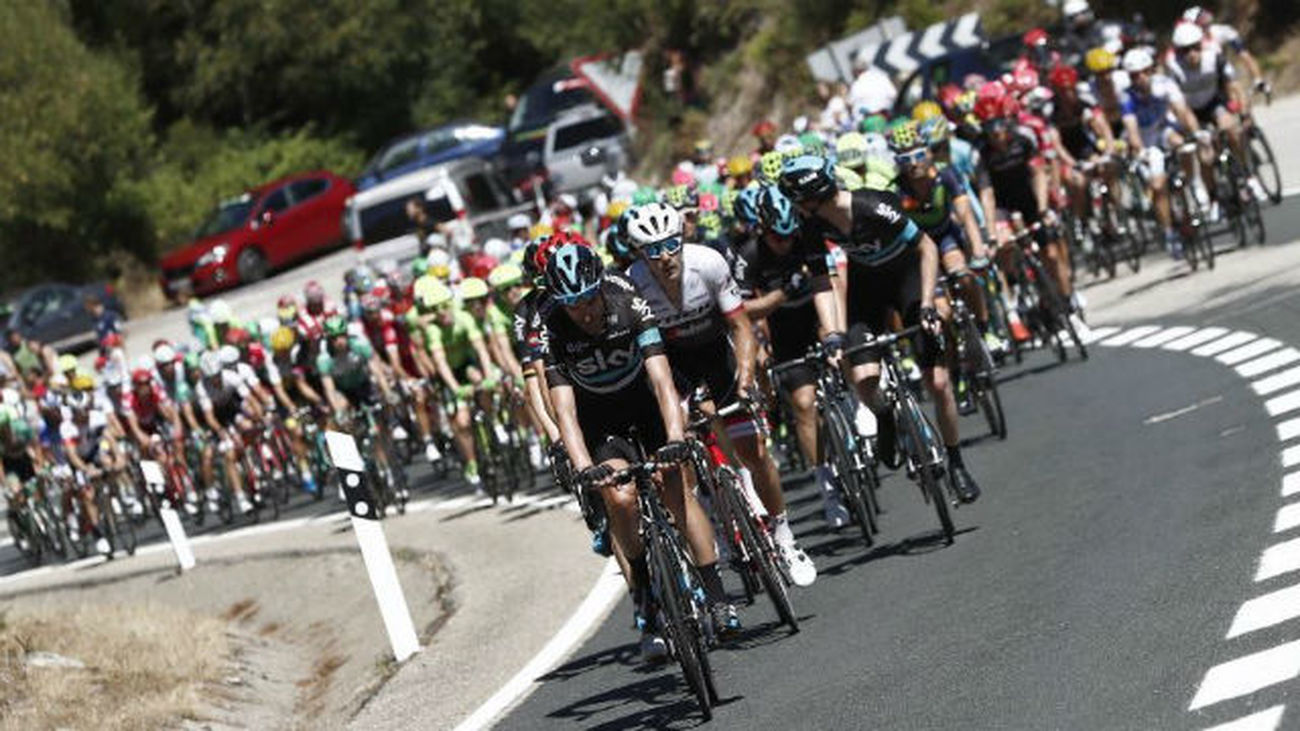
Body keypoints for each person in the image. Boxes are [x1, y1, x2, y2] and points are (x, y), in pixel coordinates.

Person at [540, 241, 739, 660]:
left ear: (600, 288)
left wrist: (675, 438)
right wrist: (582, 467)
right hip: (599, 420)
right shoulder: (553, 328)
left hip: (645, 402)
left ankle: (718, 598)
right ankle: (645, 590)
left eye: (589, 300)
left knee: (675, 488)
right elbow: (565, 412)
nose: (585, 312)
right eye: (573, 306)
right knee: (620, 497)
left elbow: (664, 381)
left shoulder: (627, 302)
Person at [624, 202, 818, 586]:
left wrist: (746, 380)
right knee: (679, 451)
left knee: (754, 451)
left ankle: (784, 535)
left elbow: (742, 327)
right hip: (671, 364)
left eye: (671, 244)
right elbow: (648, 357)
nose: (665, 257)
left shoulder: (708, 262)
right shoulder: (633, 285)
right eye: (653, 250)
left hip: (717, 354)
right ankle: (715, 515)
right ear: (639, 254)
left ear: (681, 239)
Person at [777, 155, 982, 503]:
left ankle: (956, 460)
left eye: (801, 201)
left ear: (815, 196)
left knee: (938, 382)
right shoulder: (811, 226)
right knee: (864, 378)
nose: (799, 208)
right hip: (866, 291)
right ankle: (884, 415)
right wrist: (832, 333)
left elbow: (927, 247)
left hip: (909, 282)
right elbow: (822, 281)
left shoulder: (872, 206)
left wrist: (929, 303)